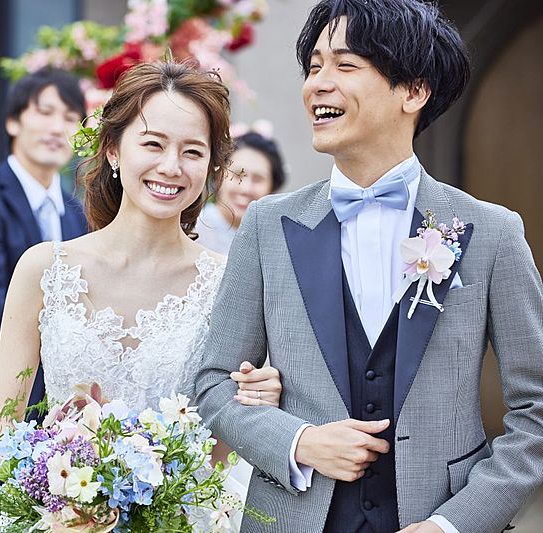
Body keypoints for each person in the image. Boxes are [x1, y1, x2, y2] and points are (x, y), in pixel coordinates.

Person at [196, 0, 543, 532]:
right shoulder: (267, 225)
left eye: (345, 65)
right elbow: (214, 382)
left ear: (414, 91)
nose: (318, 84)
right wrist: (299, 441)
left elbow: (536, 410)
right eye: (314, 66)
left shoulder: (491, 232)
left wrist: (453, 524)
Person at [0, 61, 283, 529]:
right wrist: (61, 497)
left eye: (192, 151)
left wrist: (155, 506)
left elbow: (225, 442)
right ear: (113, 149)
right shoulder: (43, 269)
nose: (171, 167)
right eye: (153, 144)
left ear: (211, 167)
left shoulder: (231, 284)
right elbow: (2, 423)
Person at [0, 68, 90, 526]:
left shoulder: (79, 212)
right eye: (44, 112)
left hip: (57, 424)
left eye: (70, 117)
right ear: (12, 121)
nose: (57, 127)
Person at [197, 128, 286, 254]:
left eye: (258, 179)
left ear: (272, 187)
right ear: (218, 176)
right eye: (237, 175)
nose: (245, 189)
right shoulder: (193, 229)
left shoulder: (279, 242)